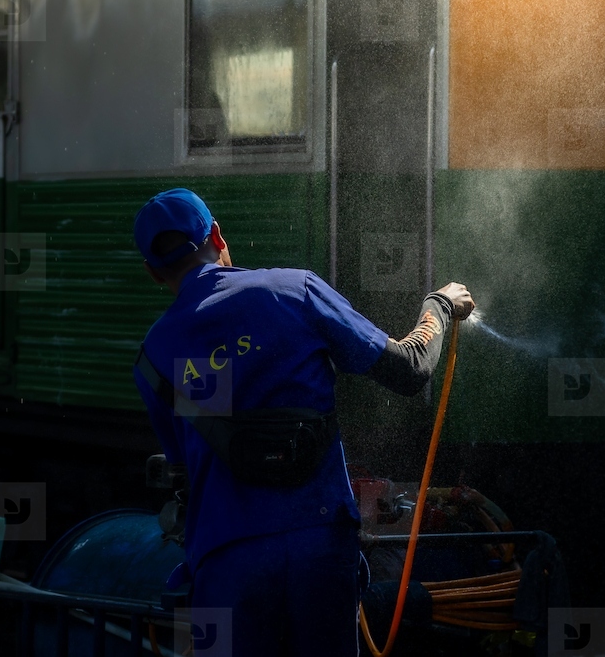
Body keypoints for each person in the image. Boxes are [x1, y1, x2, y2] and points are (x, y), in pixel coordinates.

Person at [131, 187, 474, 656]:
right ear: (216, 234)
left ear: (152, 273)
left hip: (225, 561)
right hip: (320, 550)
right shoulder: (295, 290)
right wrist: (439, 303)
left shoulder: (152, 358)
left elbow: (183, 473)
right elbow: (410, 369)